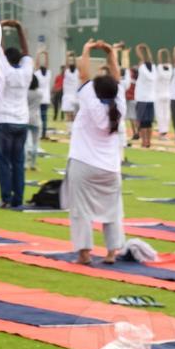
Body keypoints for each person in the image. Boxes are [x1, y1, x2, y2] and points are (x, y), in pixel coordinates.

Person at [65, 41, 127, 264]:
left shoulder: (90, 99)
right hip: (111, 167)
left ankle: (84, 253)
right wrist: (111, 54)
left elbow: (83, 73)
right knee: (113, 212)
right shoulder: (119, 104)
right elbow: (117, 76)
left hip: (84, 163)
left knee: (81, 210)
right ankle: (111, 252)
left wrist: (87, 49)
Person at [0, 19, 34, 209]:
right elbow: (27, 52)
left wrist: (0, 27)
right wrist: (19, 28)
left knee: (3, 163)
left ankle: (6, 198)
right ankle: (18, 198)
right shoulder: (26, 70)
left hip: (3, 120)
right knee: (18, 162)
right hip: (21, 122)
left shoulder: (5, 68)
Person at [132, 43, 157, 148]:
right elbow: (149, 59)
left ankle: (143, 142)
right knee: (148, 123)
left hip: (142, 98)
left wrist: (138, 48)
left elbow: (140, 58)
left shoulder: (142, 68)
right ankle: (148, 142)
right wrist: (146, 48)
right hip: (151, 99)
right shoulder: (154, 68)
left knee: (142, 122)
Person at [154, 48, 173, 139]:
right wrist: (167, 53)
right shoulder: (169, 71)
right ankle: (164, 132)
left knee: (160, 114)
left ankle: (161, 133)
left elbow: (159, 63)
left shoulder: (160, 70)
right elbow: (168, 63)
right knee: (167, 114)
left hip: (159, 95)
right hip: (168, 95)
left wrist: (159, 53)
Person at [35, 49, 52, 140]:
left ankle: (40, 133)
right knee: (44, 117)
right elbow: (47, 65)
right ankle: (44, 134)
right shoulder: (48, 74)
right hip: (46, 98)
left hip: (39, 98)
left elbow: (37, 66)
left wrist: (38, 54)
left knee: (39, 116)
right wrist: (46, 55)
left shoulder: (38, 74)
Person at [59, 50, 80, 122]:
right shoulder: (77, 72)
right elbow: (75, 64)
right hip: (75, 97)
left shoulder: (67, 72)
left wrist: (67, 56)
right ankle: (73, 131)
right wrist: (74, 56)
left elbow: (66, 65)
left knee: (68, 117)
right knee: (74, 117)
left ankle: (70, 131)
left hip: (68, 97)